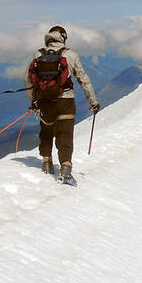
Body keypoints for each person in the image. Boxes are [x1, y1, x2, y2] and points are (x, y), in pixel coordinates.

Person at [25, 25, 100, 184]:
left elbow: (29, 79)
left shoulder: (38, 54)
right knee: (65, 135)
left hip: (45, 101)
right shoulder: (71, 55)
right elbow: (83, 79)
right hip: (66, 101)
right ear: (63, 37)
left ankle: (46, 162)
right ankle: (65, 171)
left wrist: (33, 101)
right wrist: (94, 102)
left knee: (46, 130)